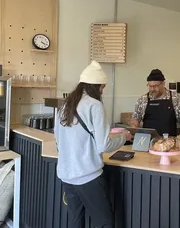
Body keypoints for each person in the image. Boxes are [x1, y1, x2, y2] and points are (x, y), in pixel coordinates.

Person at [54, 60, 132, 228]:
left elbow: (58, 141)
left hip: (67, 175)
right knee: (104, 222)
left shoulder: (65, 105)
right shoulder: (94, 105)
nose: (103, 91)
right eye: (102, 87)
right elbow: (103, 146)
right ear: (94, 86)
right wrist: (123, 137)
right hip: (88, 176)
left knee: (76, 221)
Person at [131, 69, 180, 138]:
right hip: (147, 141)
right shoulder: (142, 100)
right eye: (150, 86)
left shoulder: (175, 98)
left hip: (170, 141)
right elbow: (135, 118)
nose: (152, 89)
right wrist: (134, 128)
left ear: (163, 83)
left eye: (155, 86)